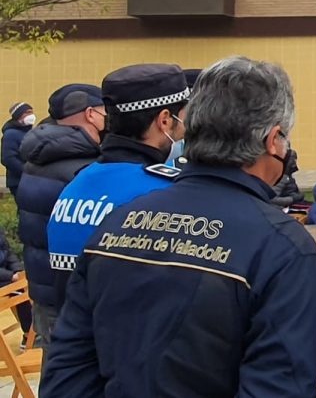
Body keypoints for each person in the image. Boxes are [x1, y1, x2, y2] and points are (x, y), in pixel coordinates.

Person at [41, 56, 316, 396]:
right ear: (273, 139)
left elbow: (68, 373)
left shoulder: (116, 223)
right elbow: (279, 387)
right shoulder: (283, 248)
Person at [46, 64, 190, 303]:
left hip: (71, 331)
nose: (184, 131)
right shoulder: (163, 192)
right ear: (164, 120)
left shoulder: (77, 184)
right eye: (183, 120)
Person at [16, 83, 105, 344]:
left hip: (43, 288)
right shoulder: (80, 167)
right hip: (70, 292)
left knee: (54, 371)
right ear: (90, 114)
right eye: (104, 112)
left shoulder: (39, 157)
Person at [0, 225, 31, 337]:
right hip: (5, 279)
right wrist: (10, 276)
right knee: (20, 291)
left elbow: (9, 254)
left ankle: (30, 333)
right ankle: (29, 334)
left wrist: (18, 270)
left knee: (25, 285)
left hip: (6, 278)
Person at [2, 102, 34, 196]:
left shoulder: (29, 132)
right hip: (18, 180)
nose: (31, 115)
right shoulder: (11, 134)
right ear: (18, 115)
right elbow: (8, 158)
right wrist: (26, 170)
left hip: (29, 179)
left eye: (32, 112)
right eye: (27, 112)